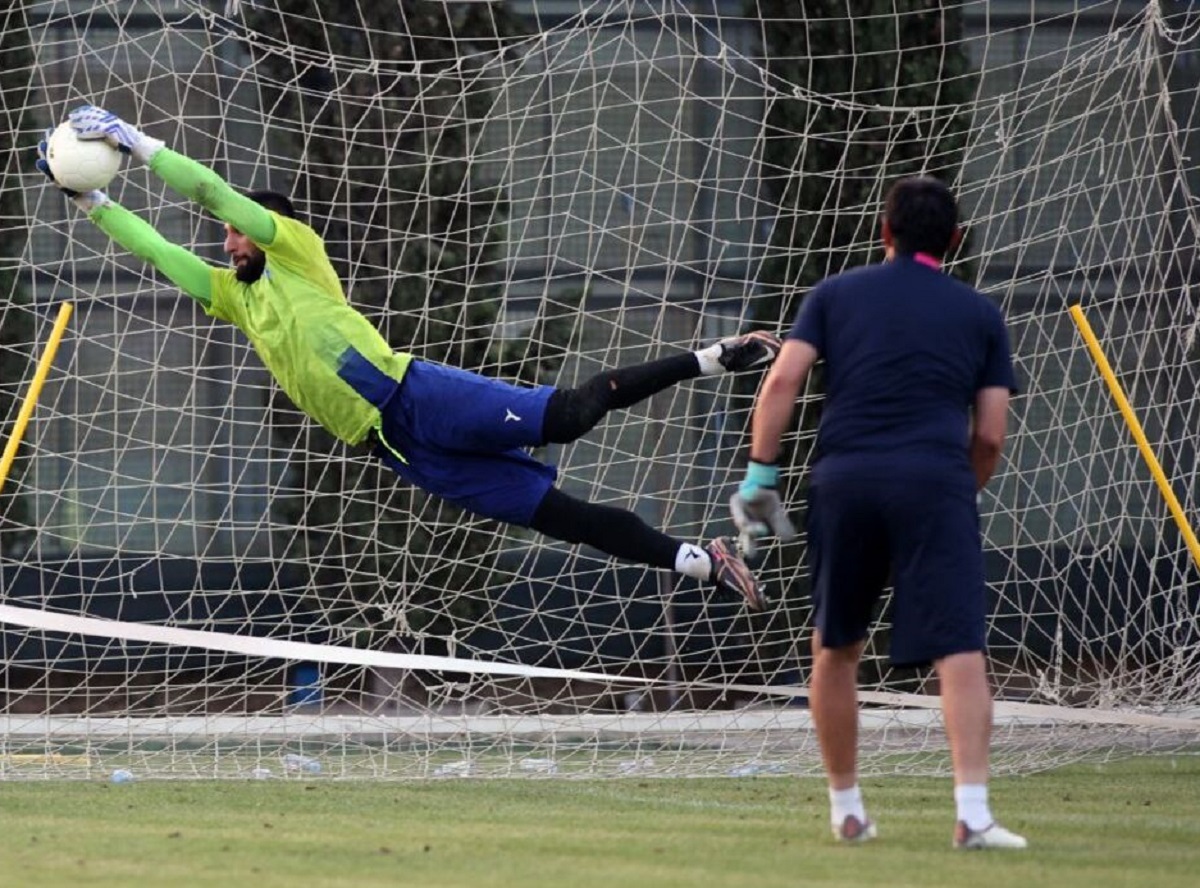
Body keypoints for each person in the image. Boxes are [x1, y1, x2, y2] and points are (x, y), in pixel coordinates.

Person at [36, 104, 778, 610]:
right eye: (229, 239)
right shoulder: (236, 296)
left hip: (415, 394)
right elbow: (163, 252)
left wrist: (138, 145)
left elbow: (211, 193)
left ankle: (712, 357)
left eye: (237, 234)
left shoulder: (297, 253)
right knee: (560, 517)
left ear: (269, 231)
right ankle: (704, 563)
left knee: (569, 418)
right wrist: (94, 204)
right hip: (394, 446)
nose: (226, 243)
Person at [729, 176, 1026, 848]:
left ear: (884, 233)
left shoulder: (834, 294)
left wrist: (760, 476)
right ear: (954, 240)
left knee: (835, 645)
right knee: (960, 648)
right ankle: (973, 814)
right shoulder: (980, 314)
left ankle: (847, 810)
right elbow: (990, 435)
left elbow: (782, 379)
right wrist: (961, 490)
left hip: (845, 481)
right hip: (935, 482)